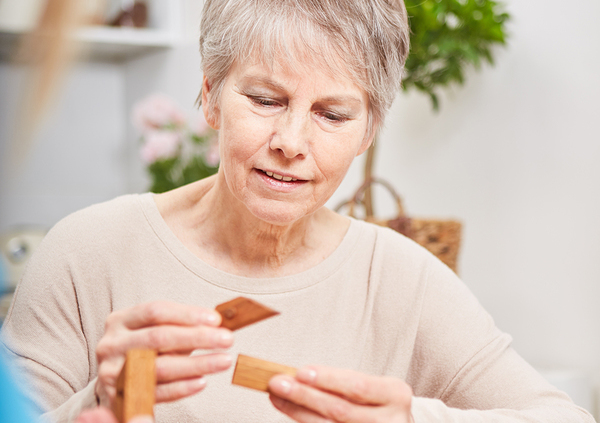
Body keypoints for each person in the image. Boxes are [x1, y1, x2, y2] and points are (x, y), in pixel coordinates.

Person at [0, 0, 596, 422]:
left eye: (332, 115)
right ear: (209, 95)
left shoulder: (399, 278)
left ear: (368, 131)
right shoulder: (88, 251)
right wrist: (99, 401)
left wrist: (413, 420)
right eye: (265, 99)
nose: (291, 140)